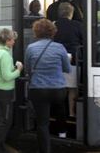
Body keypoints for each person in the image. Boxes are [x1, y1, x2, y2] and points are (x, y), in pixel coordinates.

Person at [25, 19, 71, 153]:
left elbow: (28, 69)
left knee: (42, 123)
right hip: (58, 90)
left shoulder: (31, 48)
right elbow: (67, 69)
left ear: (36, 32)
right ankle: (62, 133)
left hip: (38, 90)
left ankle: (45, 150)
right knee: (60, 107)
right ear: (52, 32)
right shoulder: (59, 47)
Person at [53, 2, 84, 118]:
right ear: (71, 13)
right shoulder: (77, 25)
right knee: (72, 89)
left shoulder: (53, 25)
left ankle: (60, 113)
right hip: (74, 60)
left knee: (60, 88)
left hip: (57, 61)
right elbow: (84, 40)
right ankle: (71, 112)